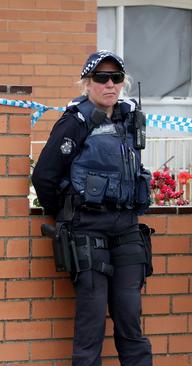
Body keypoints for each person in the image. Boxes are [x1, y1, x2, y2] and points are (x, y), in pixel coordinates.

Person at [32, 50, 153, 366]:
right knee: (92, 321)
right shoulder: (76, 121)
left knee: (131, 321)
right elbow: (44, 175)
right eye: (101, 78)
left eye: (116, 78)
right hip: (87, 229)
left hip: (127, 229)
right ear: (87, 82)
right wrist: (66, 213)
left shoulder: (129, 118)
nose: (109, 84)